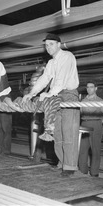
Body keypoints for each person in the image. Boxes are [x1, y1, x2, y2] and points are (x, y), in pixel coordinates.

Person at [22, 33, 80, 177]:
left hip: (68, 95)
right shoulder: (51, 62)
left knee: (68, 133)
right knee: (57, 133)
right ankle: (62, 164)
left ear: (59, 45)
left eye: (51, 44)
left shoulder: (67, 56)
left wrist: (50, 93)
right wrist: (32, 93)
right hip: (56, 96)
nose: (48, 47)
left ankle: (70, 167)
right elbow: (44, 78)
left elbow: (61, 79)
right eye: (46, 45)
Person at [78, 81, 103, 177]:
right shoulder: (82, 102)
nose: (89, 89)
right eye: (87, 87)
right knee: (82, 150)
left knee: (95, 150)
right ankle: (83, 171)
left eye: (91, 87)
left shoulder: (101, 101)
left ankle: (94, 173)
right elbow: (80, 114)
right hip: (84, 125)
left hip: (96, 125)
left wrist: (97, 123)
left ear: (96, 88)